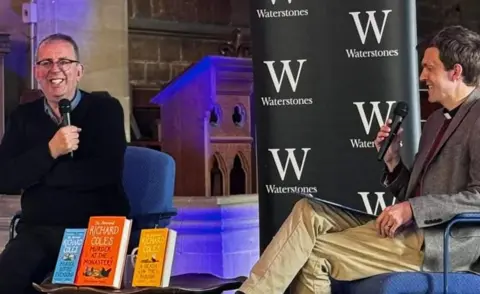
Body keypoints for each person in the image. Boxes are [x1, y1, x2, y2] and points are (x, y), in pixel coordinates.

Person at [237, 25, 480, 294]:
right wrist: (393, 161)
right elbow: (414, 193)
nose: (422, 76)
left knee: (314, 254)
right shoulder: (435, 120)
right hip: (411, 228)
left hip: (441, 243)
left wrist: (413, 209)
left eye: (429, 68)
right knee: (308, 211)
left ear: (455, 72)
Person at [0, 33, 130, 293]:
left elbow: (103, 172)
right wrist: (51, 151)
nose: (54, 69)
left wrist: (37, 176)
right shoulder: (23, 117)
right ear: (37, 72)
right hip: (39, 229)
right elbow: (5, 178)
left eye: (63, 61)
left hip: (94, 228)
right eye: (46, 63)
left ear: (78, 71)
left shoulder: (106, 110)